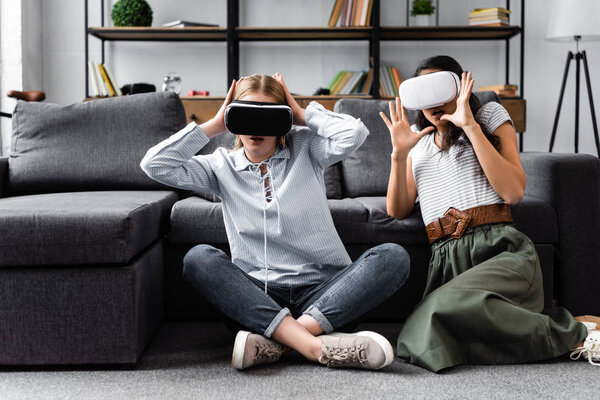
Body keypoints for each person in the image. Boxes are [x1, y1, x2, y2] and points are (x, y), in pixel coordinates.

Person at [141, 74, 410, 370]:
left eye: (268, 116)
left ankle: (277, 342)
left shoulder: (307, 149)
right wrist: (216, 125)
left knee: (392, 256)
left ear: (282, 120)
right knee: (197, 258)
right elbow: (154, 164)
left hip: (324, 296)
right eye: (246, 115)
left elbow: (354, 133)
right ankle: (313, 346)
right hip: (258, 298)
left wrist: (301, 113)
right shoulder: (220, 166)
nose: (256, 128)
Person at [380, 55, 599, 372]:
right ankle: (570, 326)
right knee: (418, 339)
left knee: (432, 318)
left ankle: (579, 336)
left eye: (440, 88)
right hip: (447, 261)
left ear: (460, 88)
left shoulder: (488, 115)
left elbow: (514, 192)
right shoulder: (417, 140)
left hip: (501, 252)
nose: (433, 102)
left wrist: (469, 125)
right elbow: (397, 210)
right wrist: (399, 156)